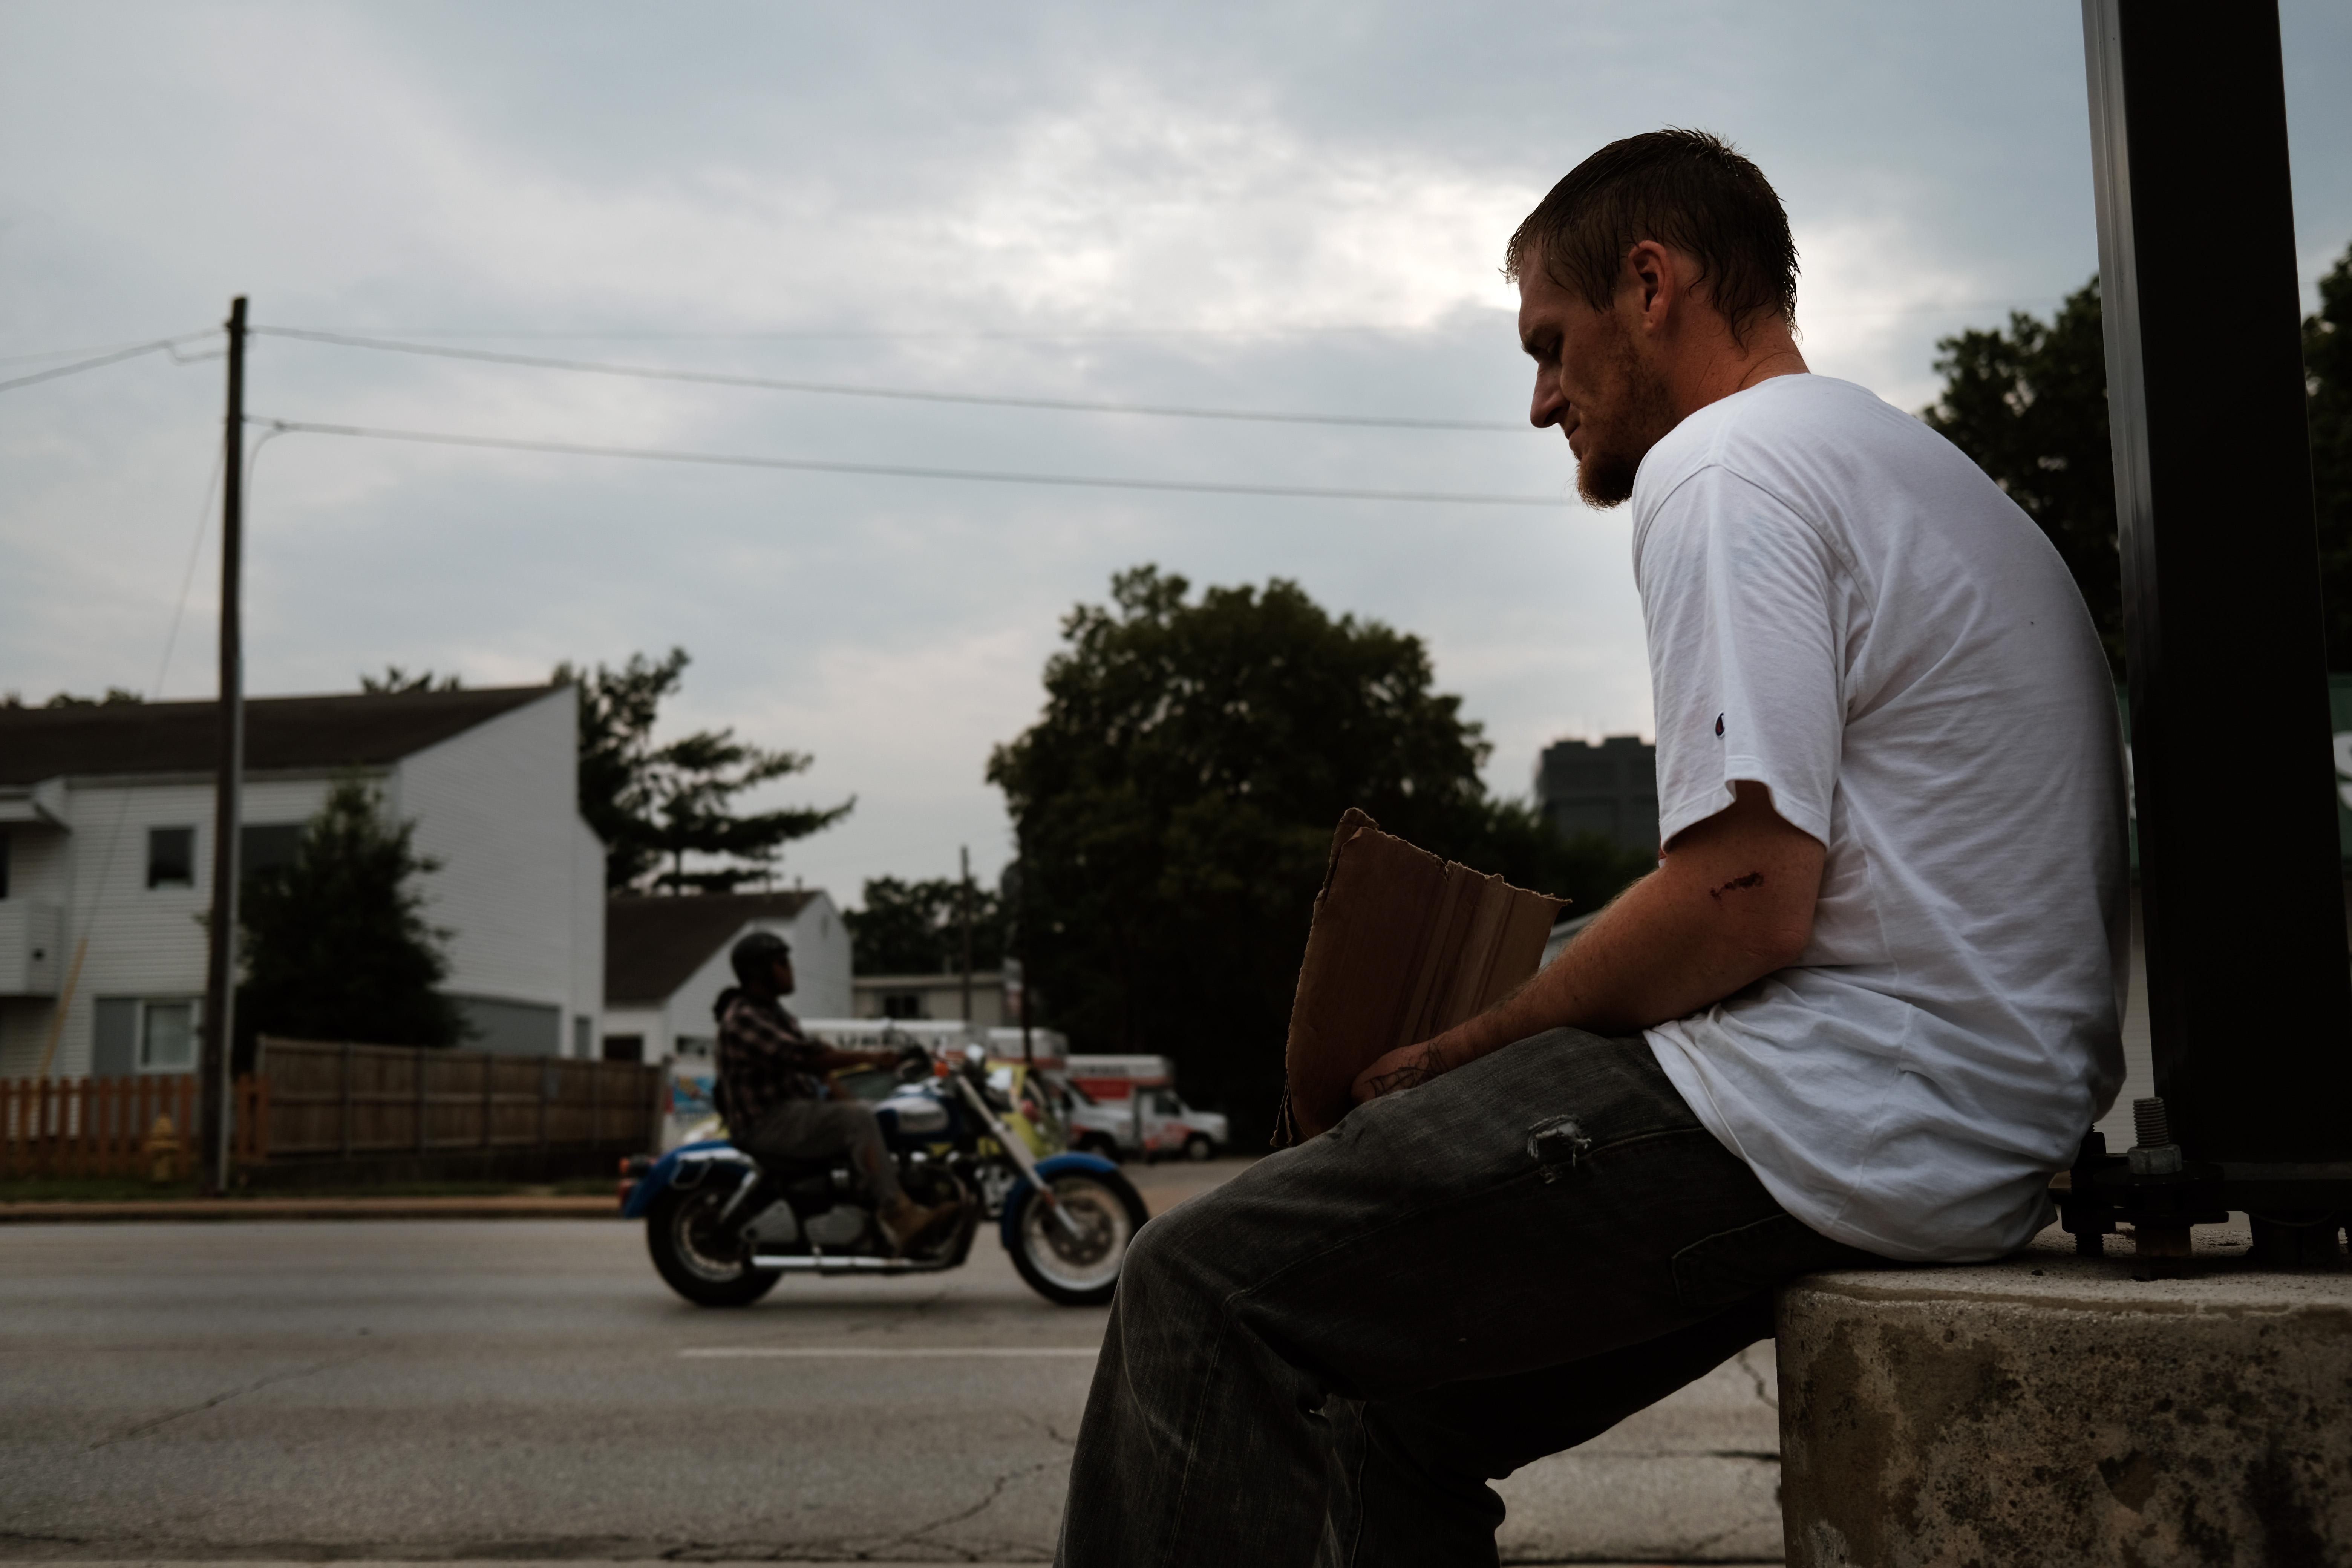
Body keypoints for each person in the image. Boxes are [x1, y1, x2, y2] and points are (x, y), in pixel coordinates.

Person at [1054, 129, 2127, 1566]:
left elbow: (1743, 903)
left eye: (1549, 346)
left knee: (1198, 1286)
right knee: (1388, 1416)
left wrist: (1473, 1041)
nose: (1541, 398)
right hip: (1973, 1128)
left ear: (1649, 283)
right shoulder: (1912, 467)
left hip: (1838, 1114)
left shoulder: (1726, 468)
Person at [714, 930, 956, 1252]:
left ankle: (890, 1203)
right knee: (856, 1119)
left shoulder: (775, 1014)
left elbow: (821, 1070)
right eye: (781, 963)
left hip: (793, 1114)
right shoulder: (743, 1019)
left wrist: (859, 1108)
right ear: (758, 972)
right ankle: (899, 1216)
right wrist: (873, 1059)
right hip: (767, 1123)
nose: (790, 969)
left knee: (876, 1116)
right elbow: (810, 1059)